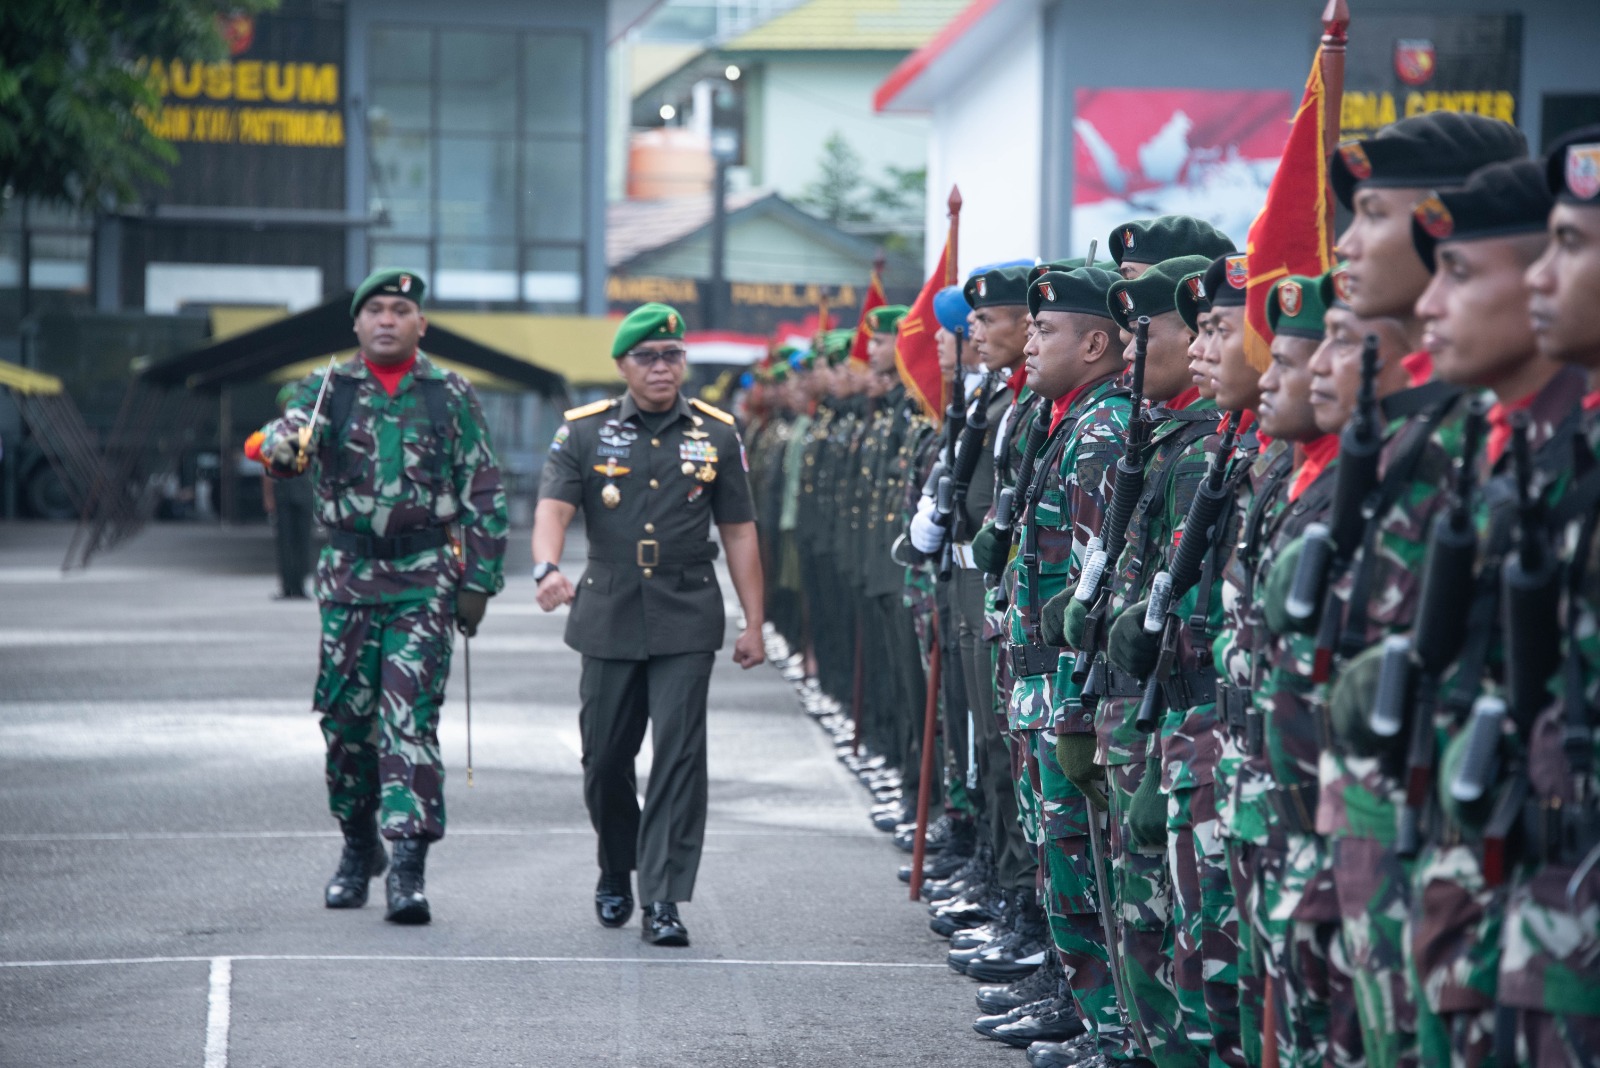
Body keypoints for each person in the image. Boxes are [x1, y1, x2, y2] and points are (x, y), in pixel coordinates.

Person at [259, 267, 508, 926]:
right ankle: (357, 842)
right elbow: (288, 441)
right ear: (357, 324)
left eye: (401, 309)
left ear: (421, 323)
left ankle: (407, 866)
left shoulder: (449, 394)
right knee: (346, 726)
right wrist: (283, 450)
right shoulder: (325, 390)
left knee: (410, 718)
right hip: (347, 581)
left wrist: (480, 580)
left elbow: (483, 485)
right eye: (376, 310)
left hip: (425, 579)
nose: (389, 320)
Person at [532, 301, 766, 948]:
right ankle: (616, 862)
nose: (662, 368)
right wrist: (546, 567)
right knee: (605, 758)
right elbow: (552, 508)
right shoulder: (583, 431)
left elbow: (740, 532)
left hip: (688, 608)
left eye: (672, 355)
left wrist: (755, 622)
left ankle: (664, 895)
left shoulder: (717, 433)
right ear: (622, 365)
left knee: (680, 755)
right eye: (648, 357)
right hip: (607, 607)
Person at [266, 382, 315, 600]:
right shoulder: (275, 430)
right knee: (285, 542)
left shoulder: (310, 430)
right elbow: (265, 464)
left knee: (304, 541)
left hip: (304, 492)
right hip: (282, 491)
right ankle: (287, 586)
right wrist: (268, 496)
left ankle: (301, 585)